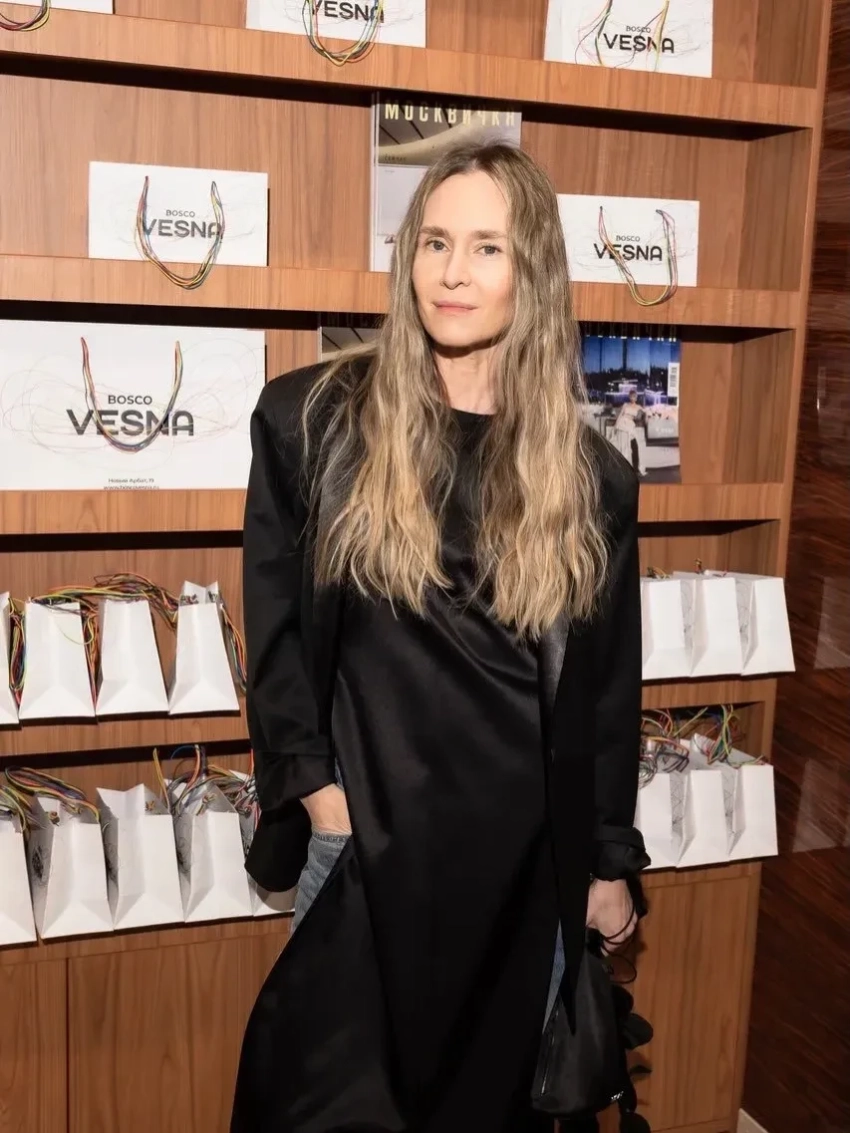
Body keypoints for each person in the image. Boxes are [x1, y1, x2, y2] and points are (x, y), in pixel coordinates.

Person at [231, 142, 649, 1133]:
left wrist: (604, 859)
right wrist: (320, 796)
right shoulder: (311, 421)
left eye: (487, 247)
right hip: (366, 851)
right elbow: (276, 635)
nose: (453, 271)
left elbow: (604, 689)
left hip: (521, 871)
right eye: (434, 242)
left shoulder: (592, 477)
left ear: (531, 270)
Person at [612, 390, 648, 477]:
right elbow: (620, 415)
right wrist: (616, 426)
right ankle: (623, 470)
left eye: (634, 396)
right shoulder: (625, 405)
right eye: (631, 396)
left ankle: (636, 469)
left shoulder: (638, 407)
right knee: (623, 447)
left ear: (636, 398)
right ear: (629, 397)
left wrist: (646, 418)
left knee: (635, 446)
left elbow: (645, 413)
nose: (632, 398)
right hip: (622, 425)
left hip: (630, 426)